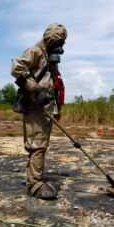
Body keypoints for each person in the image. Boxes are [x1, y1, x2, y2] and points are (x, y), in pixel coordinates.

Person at [11, 23, 67, 199]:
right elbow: (17, 68)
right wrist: (36, 90)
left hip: (47, 106)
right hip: (35, 105)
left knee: (41, 144)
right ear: (52, 39)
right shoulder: (35, 51)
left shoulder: (49, 55)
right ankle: (34, 184)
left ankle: (34, 177)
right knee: (38, 145)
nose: (61, 46)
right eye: (59, 42)